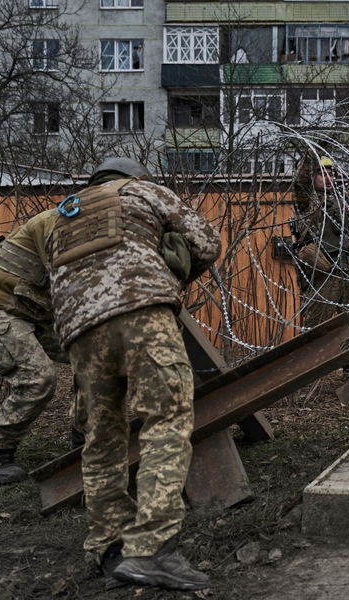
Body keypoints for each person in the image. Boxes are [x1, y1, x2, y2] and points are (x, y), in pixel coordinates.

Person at [48, 157, 221, 591]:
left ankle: (110, 551)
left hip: (80, 332)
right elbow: (206, 241)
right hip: (142, 310)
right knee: (167, 417)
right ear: (134, 176)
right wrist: (176, 271)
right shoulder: (141, 191)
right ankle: (152, 549)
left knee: (101, 437)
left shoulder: (61, 218)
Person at [0, 209, 65, 485]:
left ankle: (86, 434)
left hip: (31, 310)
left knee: (94, 353)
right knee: (38, 379)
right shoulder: (58, 220)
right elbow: (68, 275)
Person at [292, 149, 349, 382]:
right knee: (316, 326)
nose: (328, 177)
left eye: (330, 172)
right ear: (312, 177)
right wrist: (310, 154)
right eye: (322, 173)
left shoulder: (343, 197)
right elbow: (300, 182)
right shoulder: (306, 201)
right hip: (325, 271)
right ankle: (306, 376)